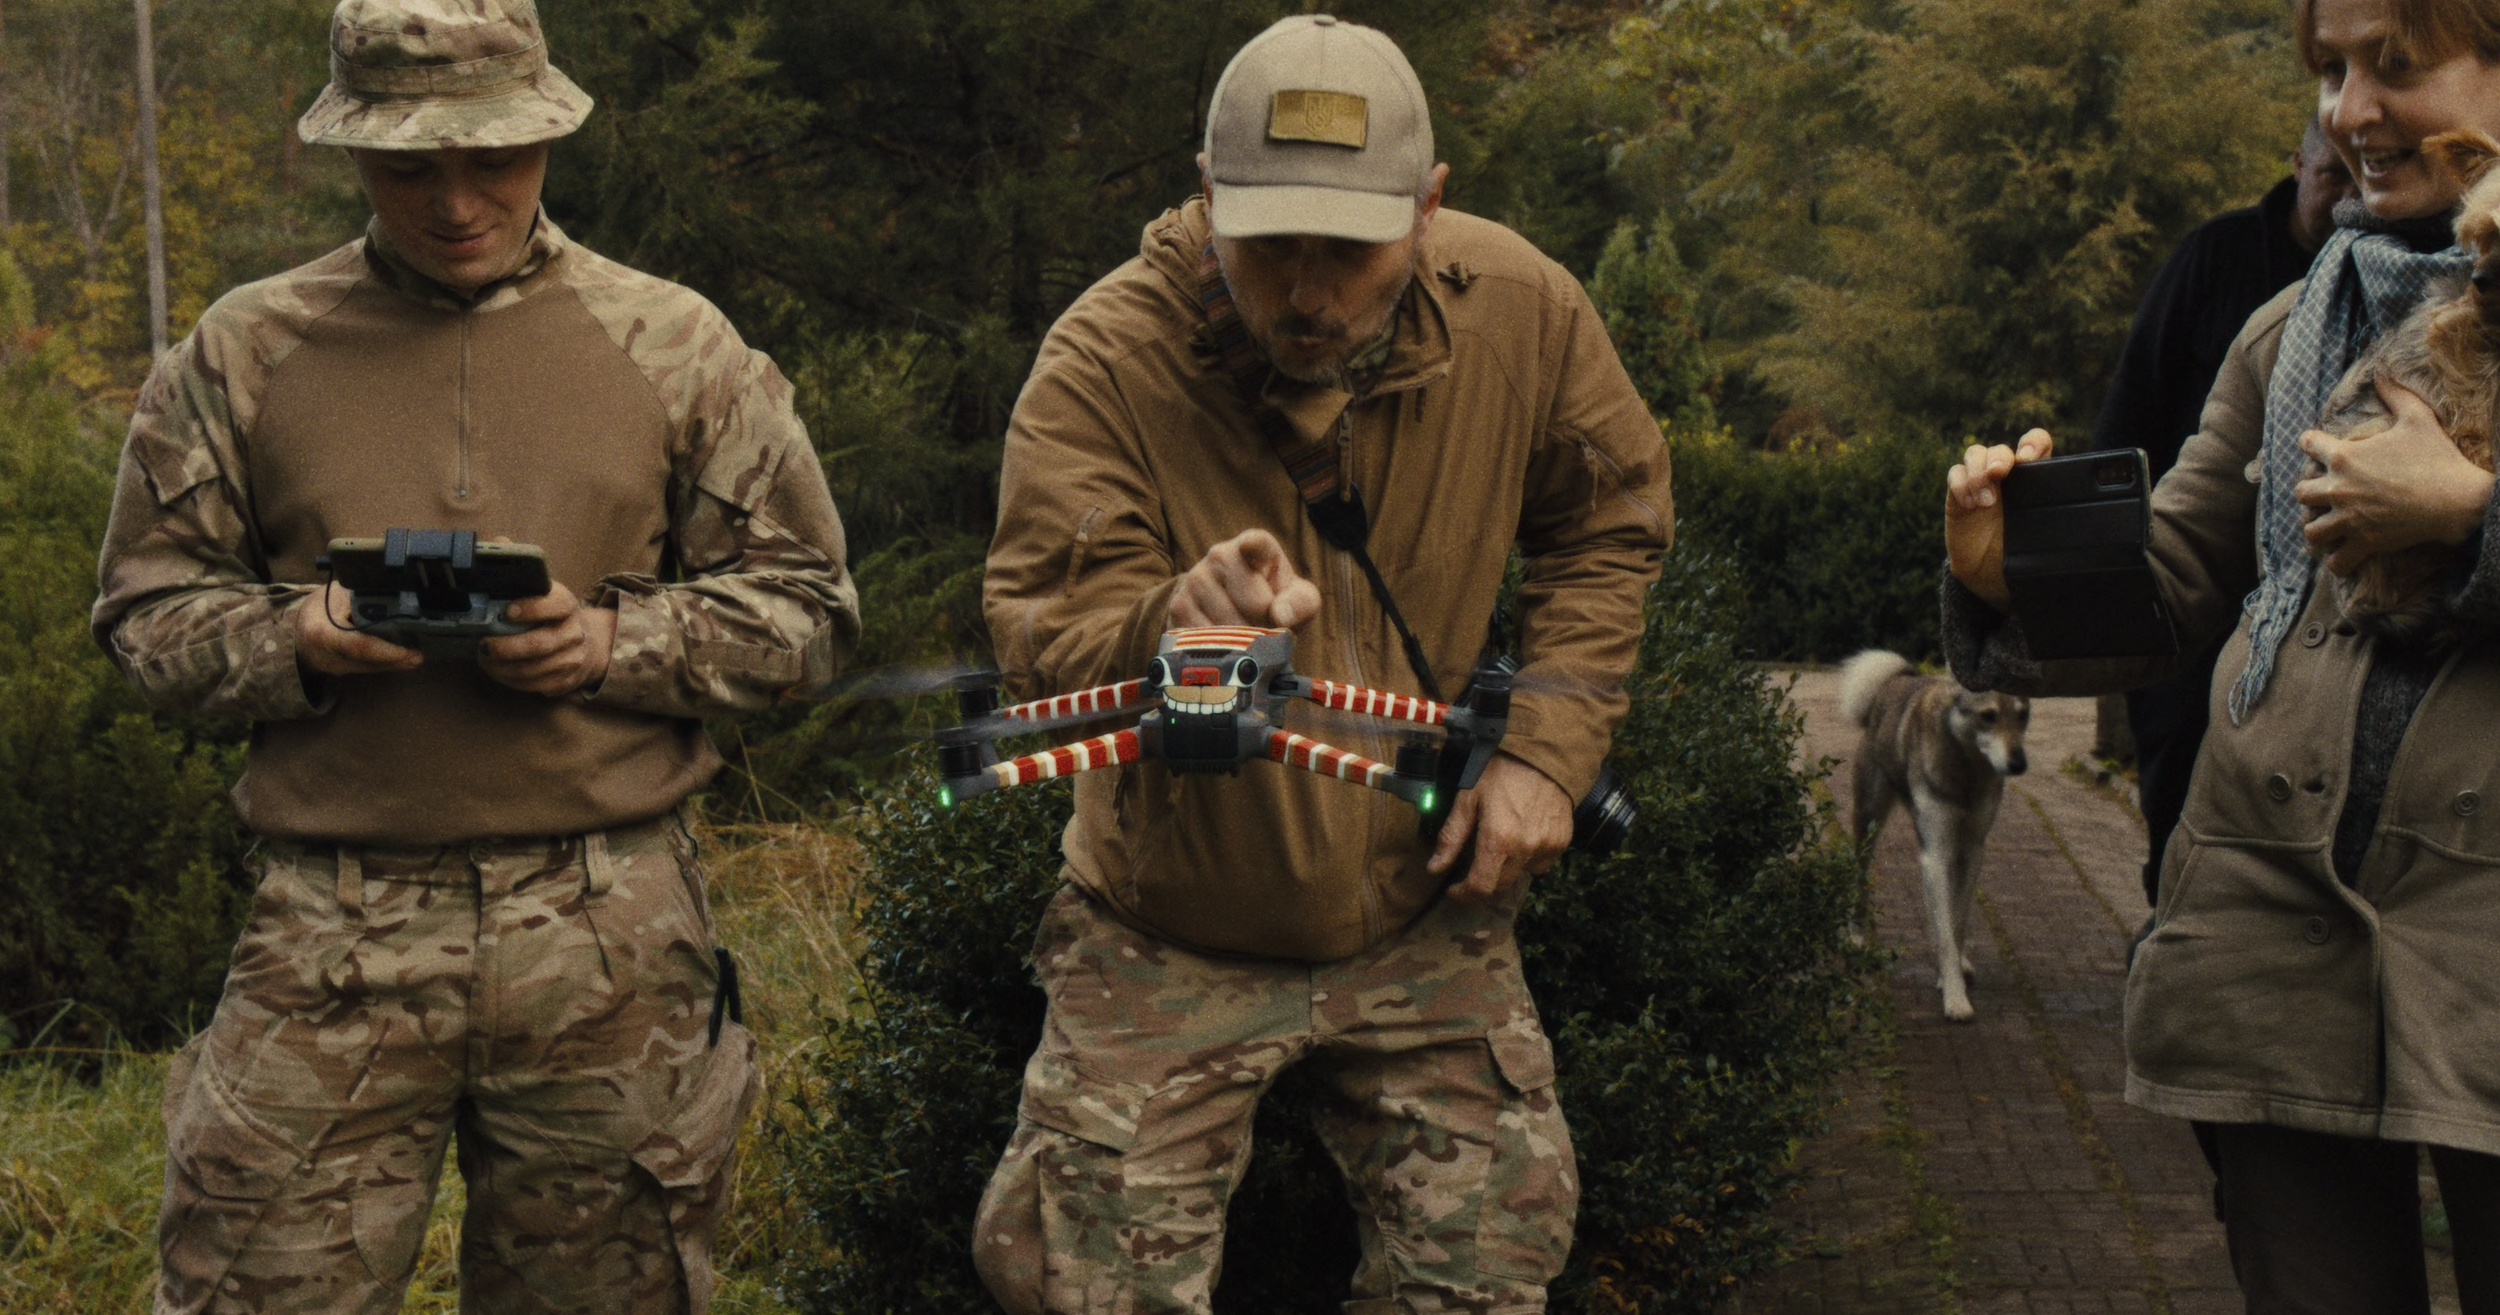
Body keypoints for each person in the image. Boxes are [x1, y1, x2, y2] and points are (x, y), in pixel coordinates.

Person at [92, 3, 858, 1311]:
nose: (456, 201)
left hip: (611, 932)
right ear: (353, 154)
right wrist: (302, 637)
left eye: (493, 157)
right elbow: (143, 613)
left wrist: (616, 640)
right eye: (410, 167)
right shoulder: (243, 351)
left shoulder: (676, 344)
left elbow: (813, 610)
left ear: (548, 129)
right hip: (331, 930)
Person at [969, 14, 1671, 1313]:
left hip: (1420, 909)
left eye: (1349, 247)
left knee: (1487, 1271)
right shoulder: (1104, 360)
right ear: (1206, 193)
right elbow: (1036, 645)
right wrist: (1168, 629)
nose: (1306, 289)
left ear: (1432, 204)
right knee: (1083, 1285)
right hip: (1166, 918)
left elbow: (1611, 518)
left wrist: (1545, 757)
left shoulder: (1524, 311)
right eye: (1269, 240)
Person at [1941, 0, 2500, 1307]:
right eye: (2331, 70)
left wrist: (2472, 518)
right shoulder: (2292, 325)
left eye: (2396, 67)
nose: (2349, 112)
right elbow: (2179, 577)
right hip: (2272, 941)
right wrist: (2008, 567)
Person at [2089, 123, 2355, 911]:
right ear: (2297, 166)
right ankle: (2166, 928)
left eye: (2356, 177)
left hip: (2315, 606)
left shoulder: (2385, 280)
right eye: (2329, 174)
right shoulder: (2216, 261)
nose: (2343, 193)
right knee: (2176, 797)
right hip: (2197, 579)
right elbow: (2132, 406)